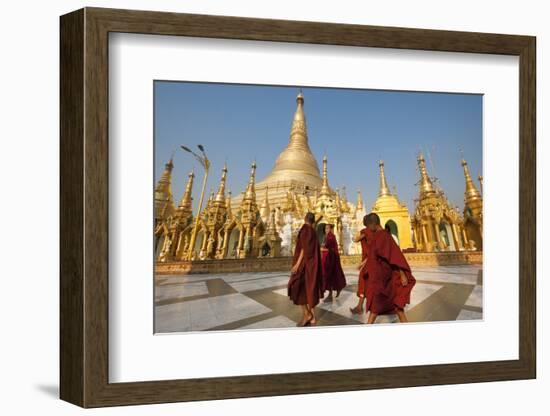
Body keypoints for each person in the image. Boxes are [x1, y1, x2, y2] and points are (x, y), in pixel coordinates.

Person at [363, 212, 416, 323]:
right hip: (380, 278)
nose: (368, 229)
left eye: (368, 227)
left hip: (386, 280)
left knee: (381, 308)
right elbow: (374, 256)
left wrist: (402, 275)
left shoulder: (384, 236)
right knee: (391, 308)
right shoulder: (378, 236)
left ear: (373, 224)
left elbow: (395, 256)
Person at [288, 212, 324, 326]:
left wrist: (297, 265)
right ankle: (311, 316)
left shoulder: (305, 230)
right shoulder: (313, 232)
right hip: (312, 265)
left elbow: (304, 249)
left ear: (304, 219)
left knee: (295, 287)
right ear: (313, 221)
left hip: (304, 265)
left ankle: (308, 314)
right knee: (309, 289)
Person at [350, 215, 374, 314]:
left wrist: (362, 263)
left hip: (368, 262)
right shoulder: (373, 232)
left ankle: (361, 307)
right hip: (370, 261)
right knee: (365, 284)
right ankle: (359, 306)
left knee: (364, 283)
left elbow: (356, 240)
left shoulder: (366, 232)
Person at [321, 223, 347, 302]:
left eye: (328, 228)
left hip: (331, 260)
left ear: (331, 229)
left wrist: (322, 249)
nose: (326, 230)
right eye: (325, 229)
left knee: (329, 276)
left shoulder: (331, 237)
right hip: (328, 259)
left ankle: (330, 295)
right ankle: (336, 289)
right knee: (331, 276)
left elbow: (331, 249)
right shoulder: (327, 236)